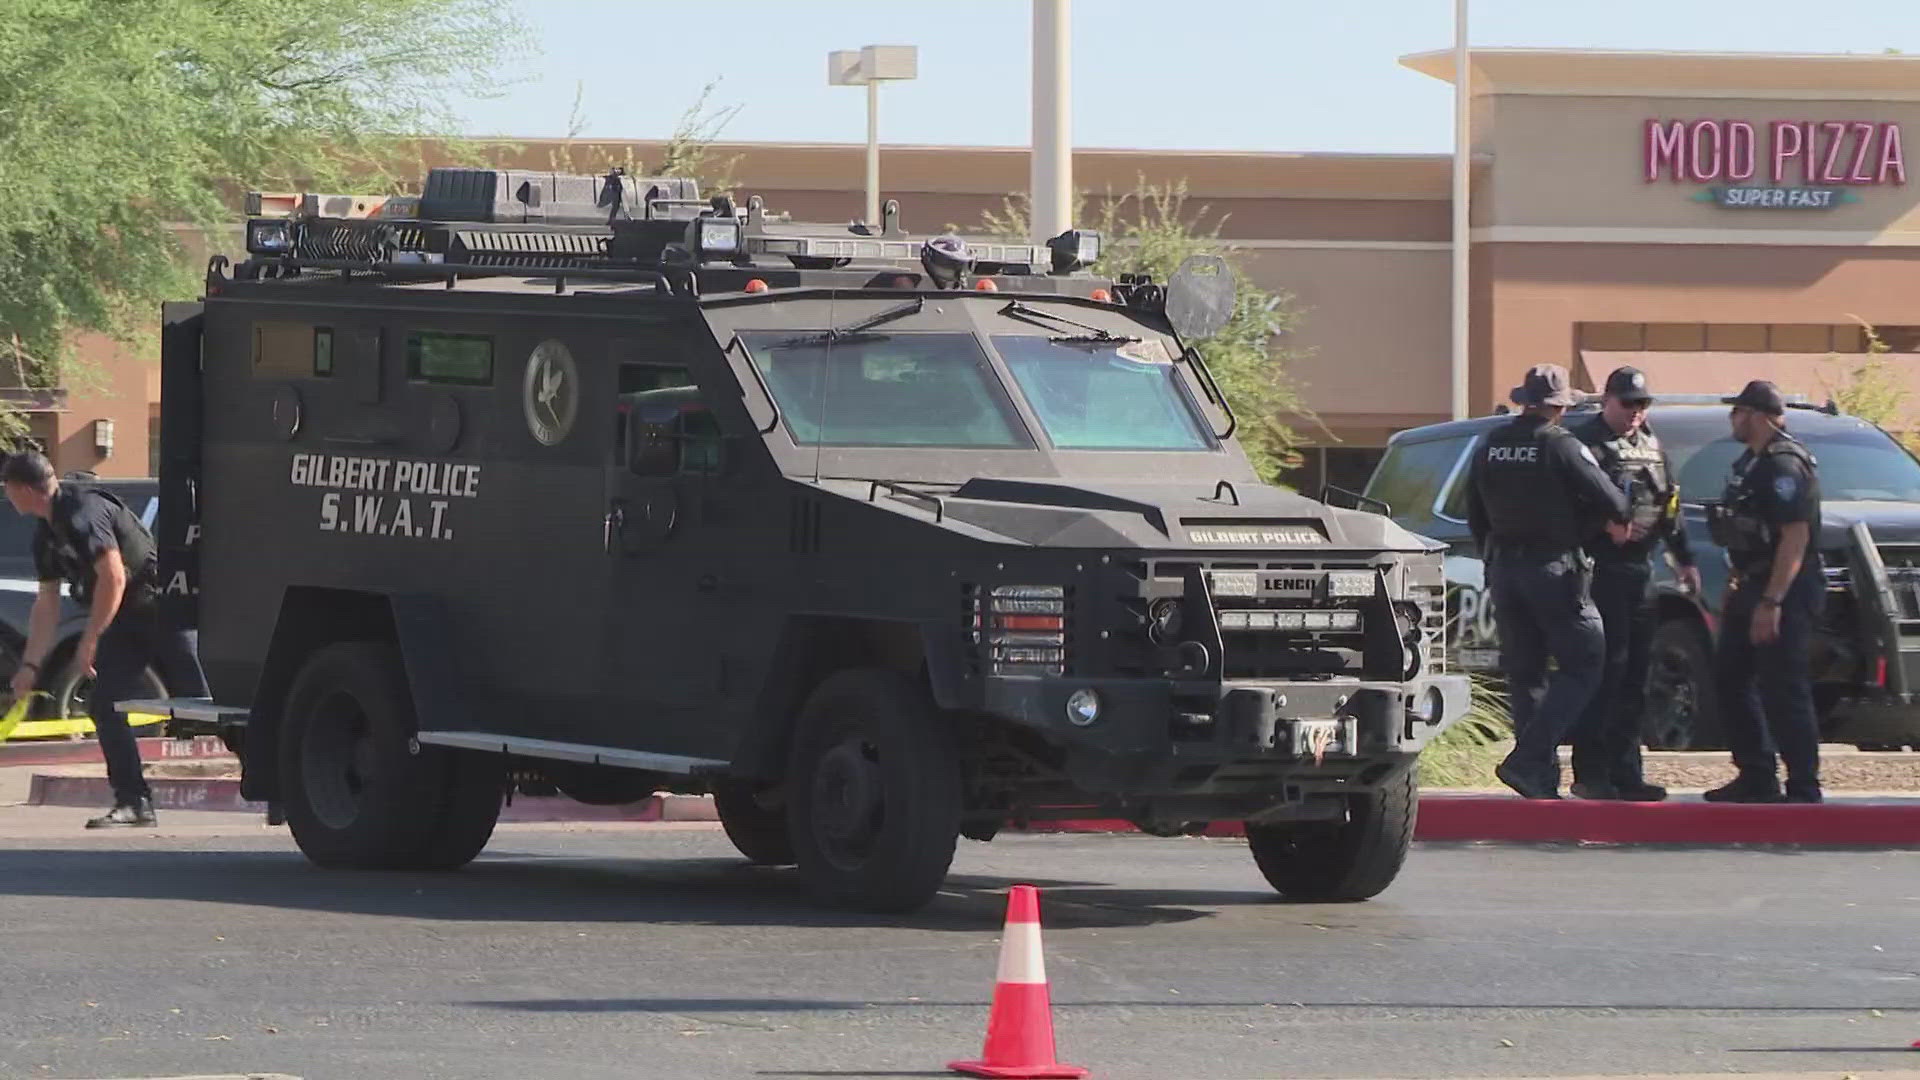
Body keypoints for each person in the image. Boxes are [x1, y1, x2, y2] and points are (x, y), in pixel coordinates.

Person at [2, 452, 208, 827]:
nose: (6, 493)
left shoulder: (82, 510)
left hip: (162, 609)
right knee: (106, 706)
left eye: (7, 486)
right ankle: (134, 803)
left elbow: (114, 575)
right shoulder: (46, 535)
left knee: (208, 706)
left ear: (25, 489)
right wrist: (31, 666)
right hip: (126, 621)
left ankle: (276, 787)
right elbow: (46, 603)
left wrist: (90, 639)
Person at [1466, 364, 1630, 800]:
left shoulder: (1489, 445)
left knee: (1527, 676)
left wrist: (1493, 559)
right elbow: (1615, 502)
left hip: (1503, 570)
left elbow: (1475, 514)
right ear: (1559, 407)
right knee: (1585, 663)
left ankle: (1537, 778)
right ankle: (1527, 757)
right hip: (1554, 570)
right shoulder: (1560, 445)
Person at [1568, 367, 1702, 802]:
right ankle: (1592, 772)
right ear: (1607, 401)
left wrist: (1683, 559)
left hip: (1641, 570)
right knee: (1606, 672)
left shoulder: (1651, 444)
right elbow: (1561, 510)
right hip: (1599, 569)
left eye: (1642, 405)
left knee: (1635, 675)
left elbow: (1671, 502)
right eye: (1628, 403)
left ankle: (1627, 771)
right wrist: (1598, 527)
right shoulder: (1584, 445)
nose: (1635, 413)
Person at [1703, 380, 1824, 804]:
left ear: (1754, 415)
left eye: (1737, 412)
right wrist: (1739, 586)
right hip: (1753, 582)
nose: (1732, 420)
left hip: (1784, 588)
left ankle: (1804, 785)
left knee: (1782, 685)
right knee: (1729, 676)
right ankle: (1756, 774)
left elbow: (1795, 538)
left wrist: (1771, 602)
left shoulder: (1783, 465)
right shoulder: (1752, 463)